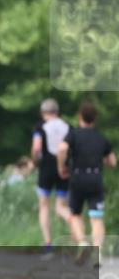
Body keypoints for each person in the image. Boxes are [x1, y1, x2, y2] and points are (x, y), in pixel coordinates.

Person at [57, 103, 116, 268]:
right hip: (95, 178)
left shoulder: (73, 135)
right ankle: (97, 253)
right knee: (96, 218)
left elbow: (62, 149)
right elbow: (112, 162)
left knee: (75, 214)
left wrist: (62, 167)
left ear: (80, 117)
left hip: (77, 178)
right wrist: (103, 161)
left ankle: (82, 242)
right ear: (95, 119)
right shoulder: (101, 137)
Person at [32, 98, 71, 257]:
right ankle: (75, 224)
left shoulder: (40, 127)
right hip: (64, 169)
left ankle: (48, 244)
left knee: (44, 206)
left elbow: (36, 148)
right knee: (62, 206)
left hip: (46, 169)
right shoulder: (68, 126)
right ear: (57, 112)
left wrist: (35, 162)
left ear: (43, 113)